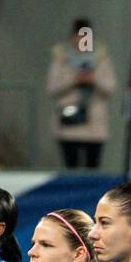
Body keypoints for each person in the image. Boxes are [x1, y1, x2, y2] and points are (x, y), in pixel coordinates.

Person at [47, 17, 115, 170]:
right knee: (71, 168)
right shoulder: (61, 58)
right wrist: (74, 80)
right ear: (72, 37)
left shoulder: (101, 58)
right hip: (69, 124)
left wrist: (94, 79)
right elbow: (52, 88)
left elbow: (110, 88)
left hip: (95, 124)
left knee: (93, 169)